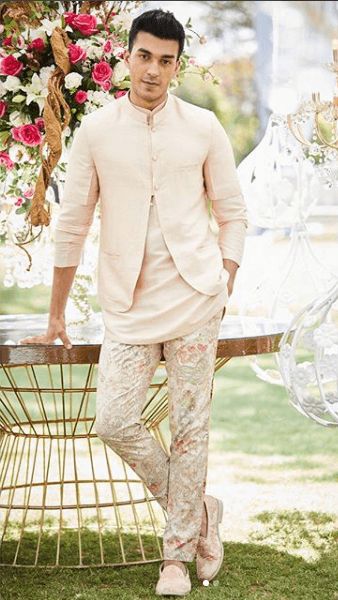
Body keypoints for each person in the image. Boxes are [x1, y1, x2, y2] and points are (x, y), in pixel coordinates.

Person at [19, 8, 248, 597]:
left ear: (178, 66)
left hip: (196, 296)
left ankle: (175, 557)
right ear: (126, 56)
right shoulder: (96, 130)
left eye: (165, 60)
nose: (152, 70)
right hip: (126, 302)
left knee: (192, 427)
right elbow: (71, 225)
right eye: (143, 56)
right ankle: (200, 511)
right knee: (115, 420)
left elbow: (233, 212)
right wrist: (56, 313)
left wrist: (224, 275)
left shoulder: (202, 127)